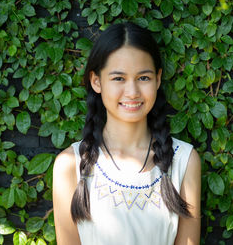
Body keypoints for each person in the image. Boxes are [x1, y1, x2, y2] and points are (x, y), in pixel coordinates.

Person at [52, 22, 201, 245]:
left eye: (143, 78)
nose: (132, 92)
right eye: (118, 78)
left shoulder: (183, 160)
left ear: (158, 79)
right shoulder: (69, 165)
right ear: (96, 81)